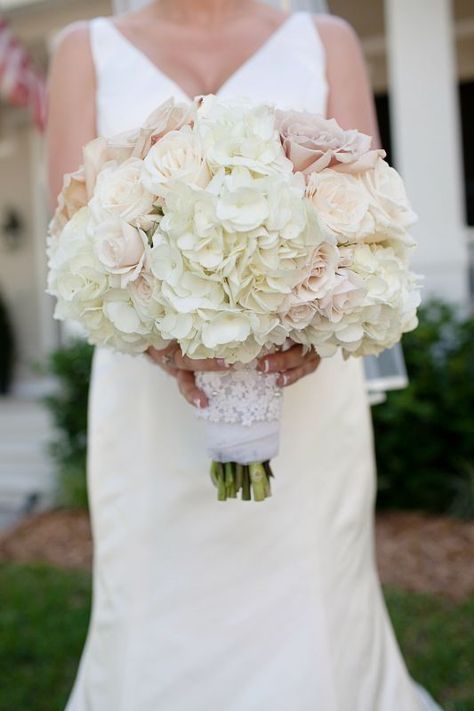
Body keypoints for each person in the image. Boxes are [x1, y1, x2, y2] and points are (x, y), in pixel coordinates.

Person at [47, 1, 442, 708]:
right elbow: (70, 232)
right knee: (156, 607)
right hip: (148, 402)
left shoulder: (327, 40)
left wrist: (317, 328)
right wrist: (163, 342)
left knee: (309, 598)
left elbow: (372, 215)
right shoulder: (85, 48)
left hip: (308, 394)